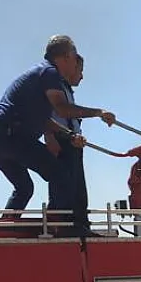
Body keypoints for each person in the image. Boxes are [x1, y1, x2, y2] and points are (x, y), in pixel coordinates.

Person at [0, 35, 115, 235]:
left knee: (24, 188)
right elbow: (62, 109)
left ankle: (5, 227)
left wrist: (69, 135)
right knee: (60, 173)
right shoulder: (50, 72)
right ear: (65, 57)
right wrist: (98, 113)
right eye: (73, 55)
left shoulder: (41, 76)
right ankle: (61, 226)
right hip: (11, 136)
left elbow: (45, 121)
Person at [47, 53, 92, 233]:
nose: (81, 75)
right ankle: (65, 225)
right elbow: (49, 115)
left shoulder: (66, 90)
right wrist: (50, 137)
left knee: (78, 189)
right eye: (79, 69)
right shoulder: (54, 86)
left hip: (73, 141)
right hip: (63, 140)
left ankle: (80, 225)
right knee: (65, 186)